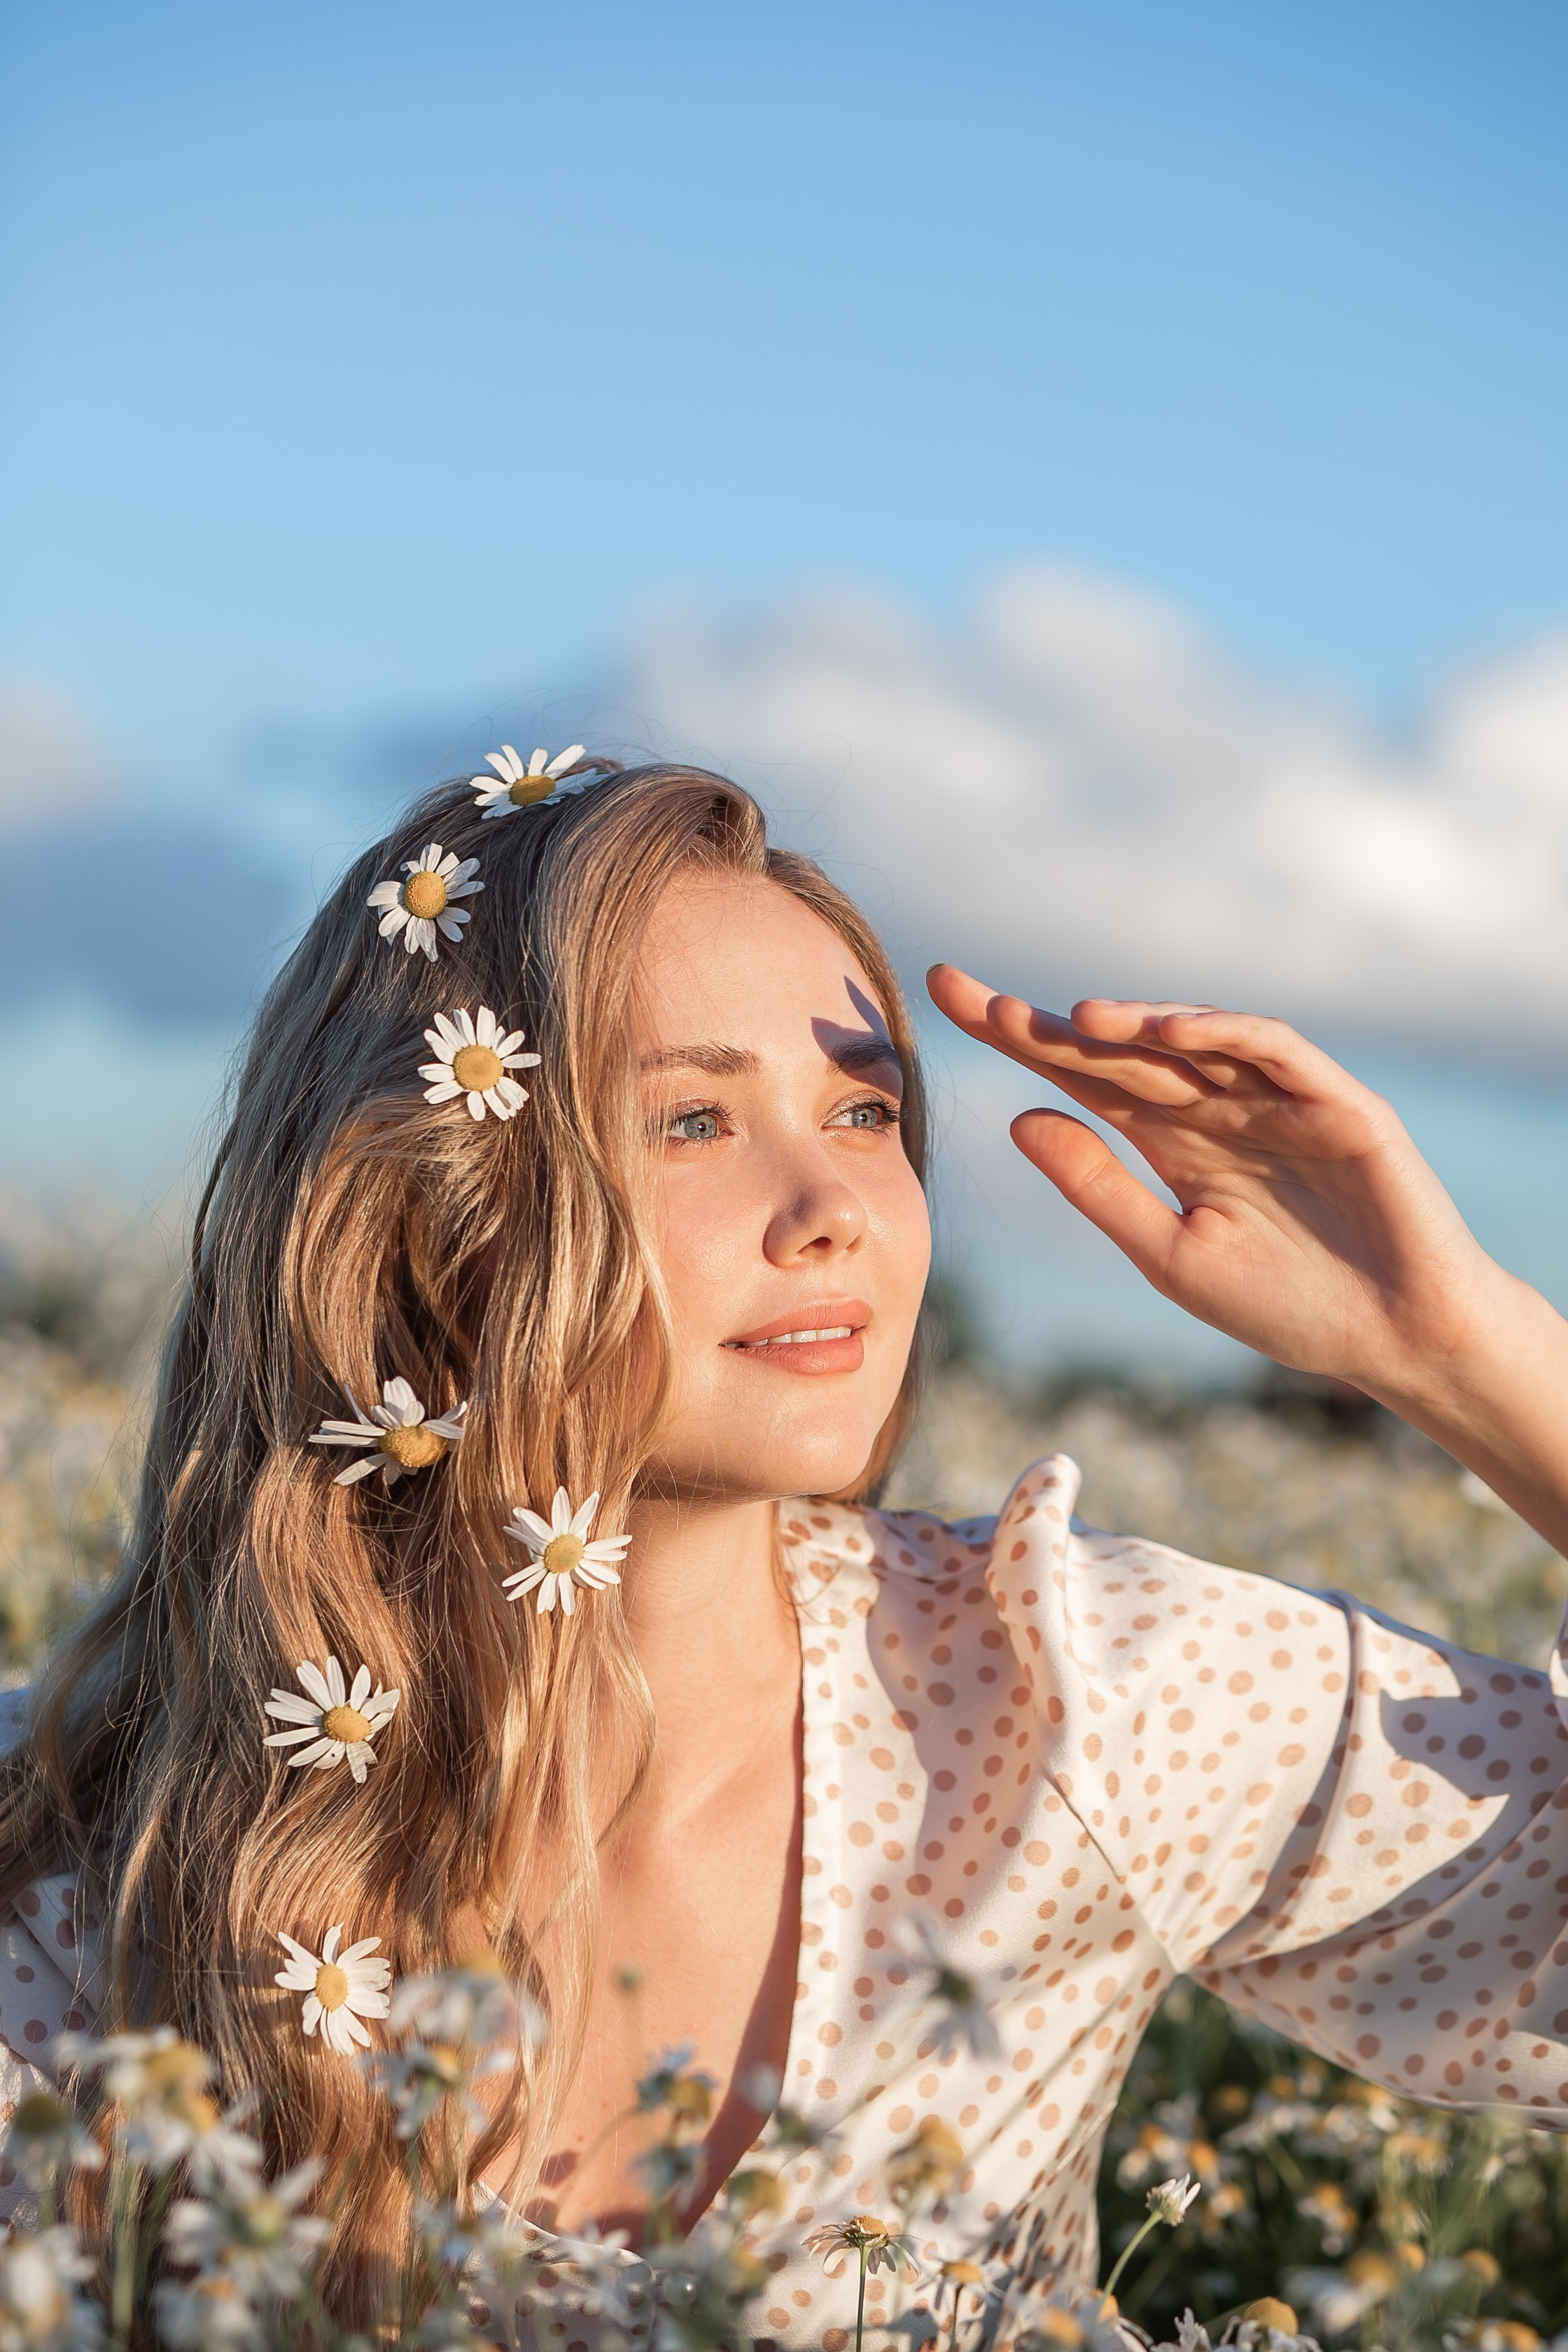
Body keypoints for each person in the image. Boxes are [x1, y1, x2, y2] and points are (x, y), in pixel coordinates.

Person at [1, 756, 1567, 2347]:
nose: (830, 1205)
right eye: (693, 1119)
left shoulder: (1066, 1701)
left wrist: (1468, 1360)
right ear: (428, 1213)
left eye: (864, 1109)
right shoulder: (78, 1853)